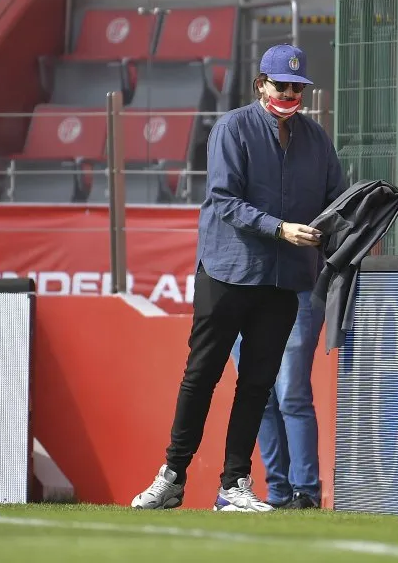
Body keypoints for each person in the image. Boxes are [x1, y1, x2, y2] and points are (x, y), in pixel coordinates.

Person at [132, 44, 346, 512]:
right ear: (261, 84)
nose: (289, 93)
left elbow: (337, 201)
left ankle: (234, 485)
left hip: (284, 279)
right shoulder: (232, 127)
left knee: (258, 385)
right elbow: (225, 200)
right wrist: (281, 228)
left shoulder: (316, 138)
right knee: (201, 375)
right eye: (281, 84)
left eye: (297, 87)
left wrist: (352, 224)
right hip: (228, 271)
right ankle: (171, 475)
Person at [229, 290, 324, 509]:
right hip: (241, 290)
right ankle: (279, 491)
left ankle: (305, 490)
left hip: (294, 288)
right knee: (261, 399)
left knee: (292, 397)